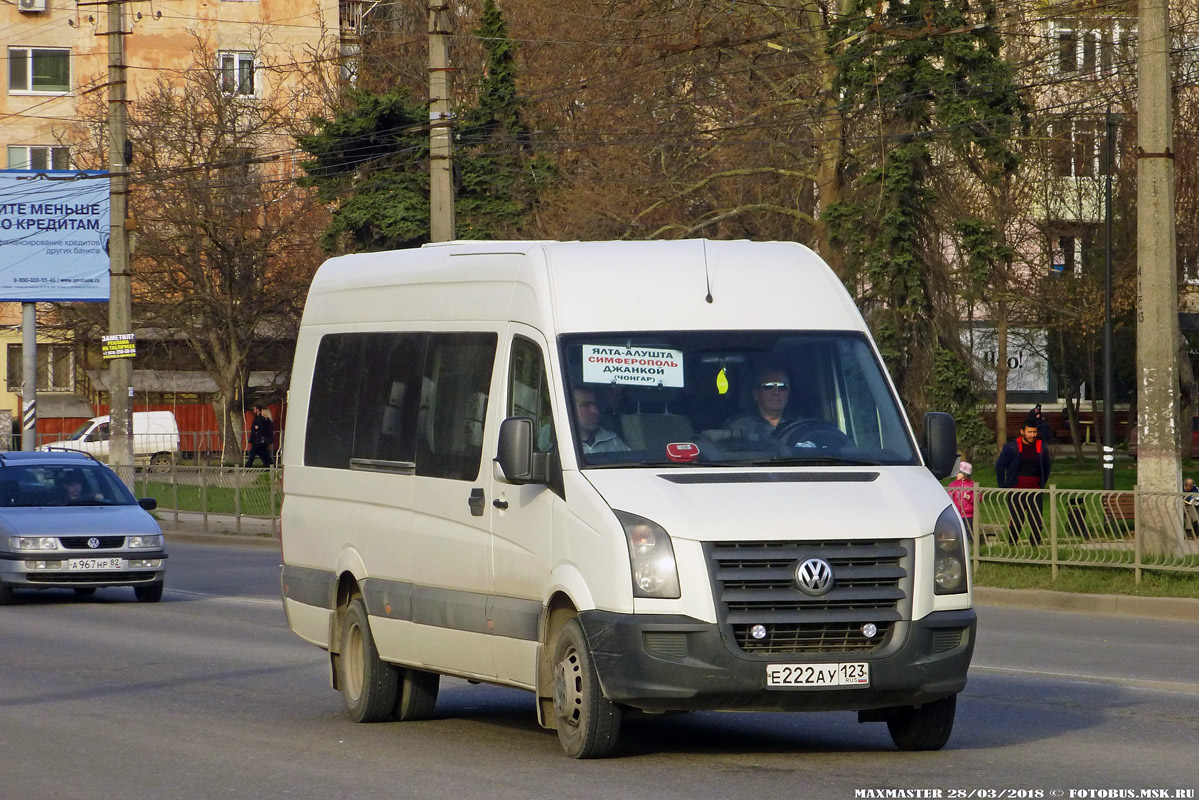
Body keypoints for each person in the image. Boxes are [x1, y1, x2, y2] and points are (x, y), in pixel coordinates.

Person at [995, 416, 1052, 546]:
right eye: (1029, 432)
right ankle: (1012, 545)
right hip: (1016, 491)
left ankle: (1035, 548)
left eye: (1034, 432)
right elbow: (1000, 466)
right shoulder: (1012, 447)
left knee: (1037, 523)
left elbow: (1047, 467)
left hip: (1035, 491)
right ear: (1022, 432)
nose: (1032, 435)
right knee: (1016, 521)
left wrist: (1041, 484)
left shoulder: (1041, 447)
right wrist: (1003, 487)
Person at [728, 368, 792, 439]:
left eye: (782, 387)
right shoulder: (741, 426)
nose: (776, 393)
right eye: (768, 386)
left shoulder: (800, 425)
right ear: (756, 394)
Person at [573, 386, 629, 454]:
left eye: (595, 404)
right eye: (585, 405)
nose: (595, 411)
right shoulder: (562, 444)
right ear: (570, 409)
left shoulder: (613, 441)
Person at [947, 461, 975, 538]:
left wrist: (970, 498)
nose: (957, 474)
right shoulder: (954, 484)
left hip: (967, 513)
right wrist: (949, 494)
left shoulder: (971, 484)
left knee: (968, 529)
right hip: (957, 512)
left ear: (965, 474)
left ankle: (970, 544)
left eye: (959, 473)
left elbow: (978, 497)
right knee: (957, 529)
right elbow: (948, 491)